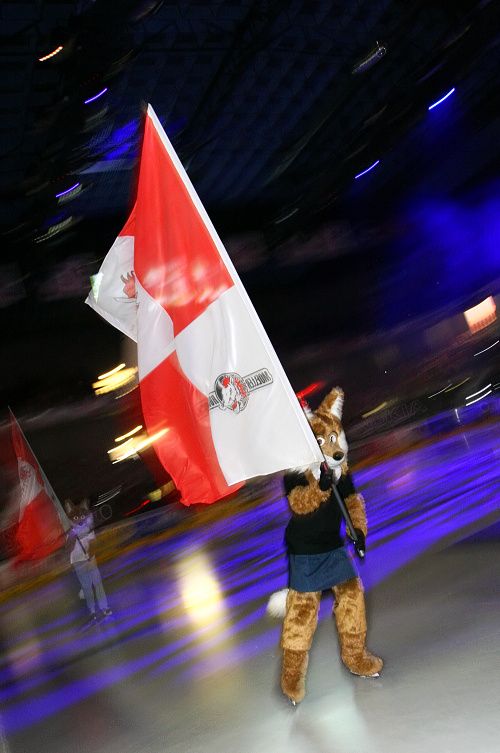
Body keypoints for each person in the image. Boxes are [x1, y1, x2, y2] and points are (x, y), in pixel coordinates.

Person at [64, 497, 112, 627]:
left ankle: (104, 608)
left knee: (98, 583)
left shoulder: (88, 528)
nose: (80, 520)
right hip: (78, 562)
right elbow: (68, 549)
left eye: (81, 516)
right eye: (76, 518)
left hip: (90, 559)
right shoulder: (70, 533)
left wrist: (91, 557)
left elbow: (93, 543)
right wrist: (73, 537)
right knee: (87, 587)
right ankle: (92, 611)